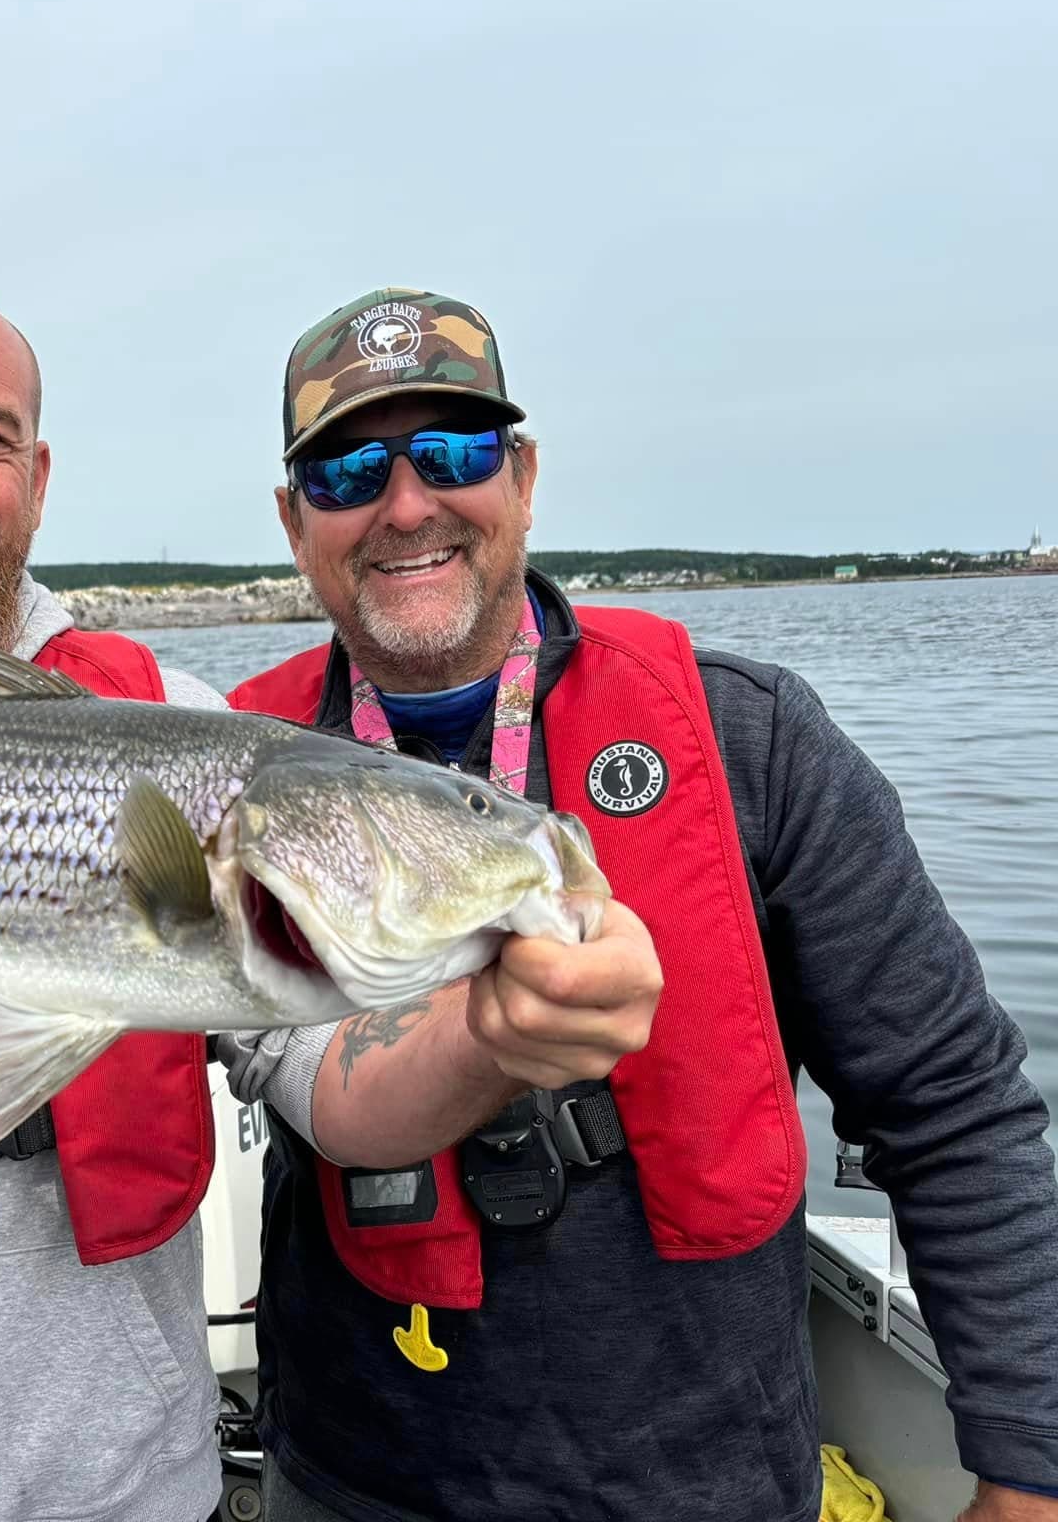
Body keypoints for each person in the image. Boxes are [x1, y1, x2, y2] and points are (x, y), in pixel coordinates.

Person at [0, 286, 657, 1522]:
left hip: (133, 1486)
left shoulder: (178, 719)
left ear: (35, 477)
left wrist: (490, 1040)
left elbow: (336, 1094)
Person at [221, 287, 1058, 1522]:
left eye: (450, 452)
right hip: (359, 1477)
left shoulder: (747, 738)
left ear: (521, 475)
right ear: (295, 523)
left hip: (706, 1478)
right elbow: (291, 1066)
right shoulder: (224, 775)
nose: (405, 505)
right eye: (348, 471)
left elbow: (949, 1103)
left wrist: (1028, 1463)